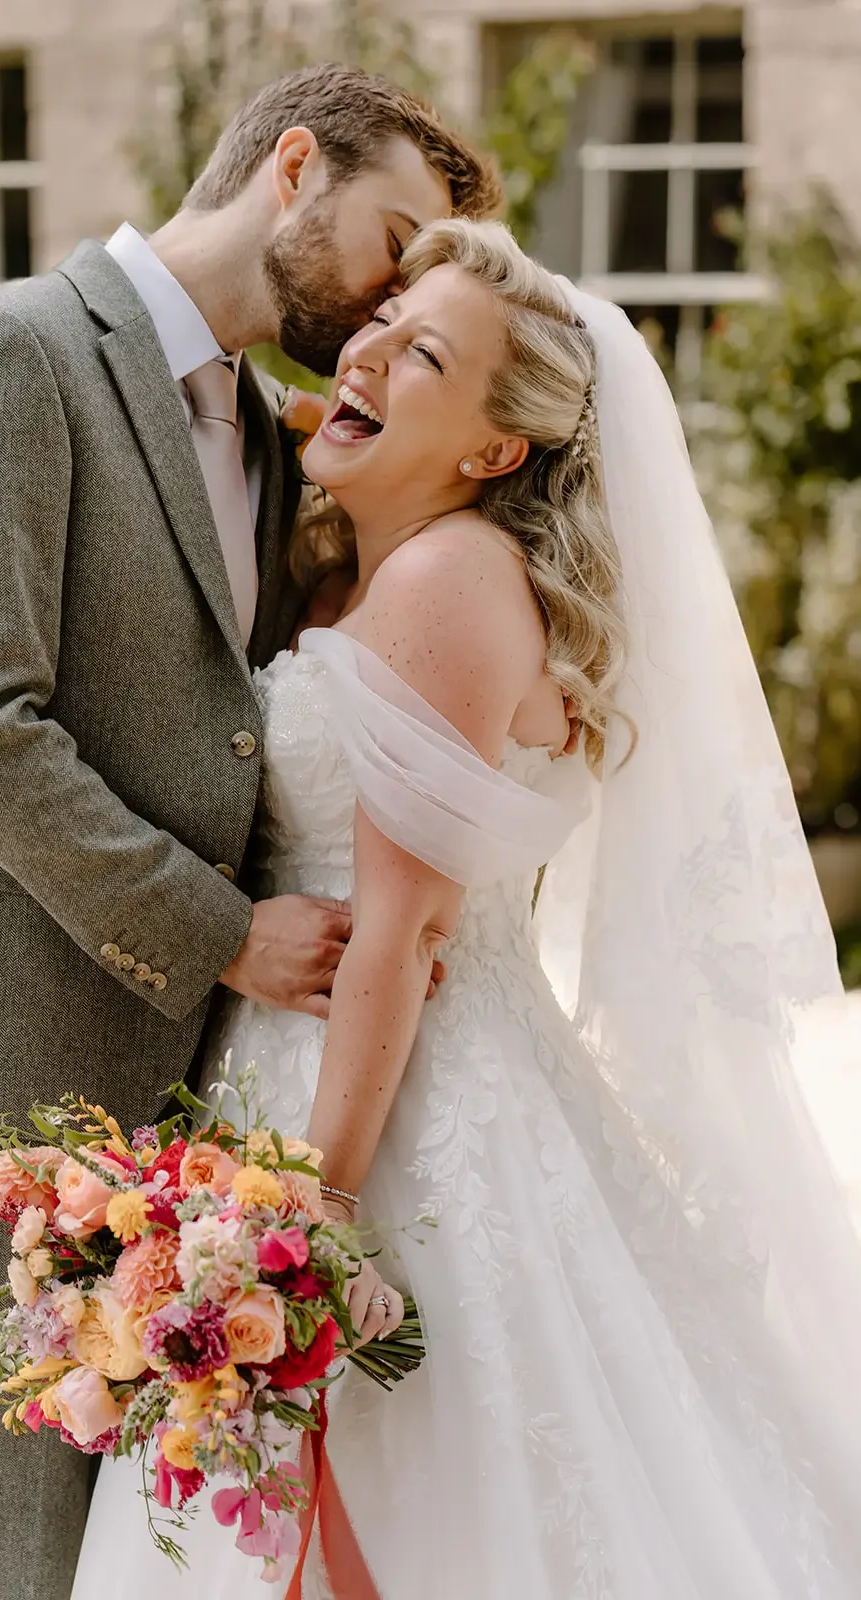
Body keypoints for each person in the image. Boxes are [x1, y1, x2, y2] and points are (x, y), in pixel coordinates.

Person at [75, 218, 861, 1598]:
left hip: (398, 1107)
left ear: (496, 450)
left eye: (421, 352)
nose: (366, 350)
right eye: (382, 323)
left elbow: (403, 933)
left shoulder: (445, 582)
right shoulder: (366, 564)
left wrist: (307, 1223)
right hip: (323, 1068)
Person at [0, 67, 498, 1600]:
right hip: (11, 1033)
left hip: (208, 1073)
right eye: (388, 236)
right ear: (290, 168)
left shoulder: (281, 441)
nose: (389, 290)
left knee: (155, 1539)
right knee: (11, 1540)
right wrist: (226, 934)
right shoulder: (12, 355)